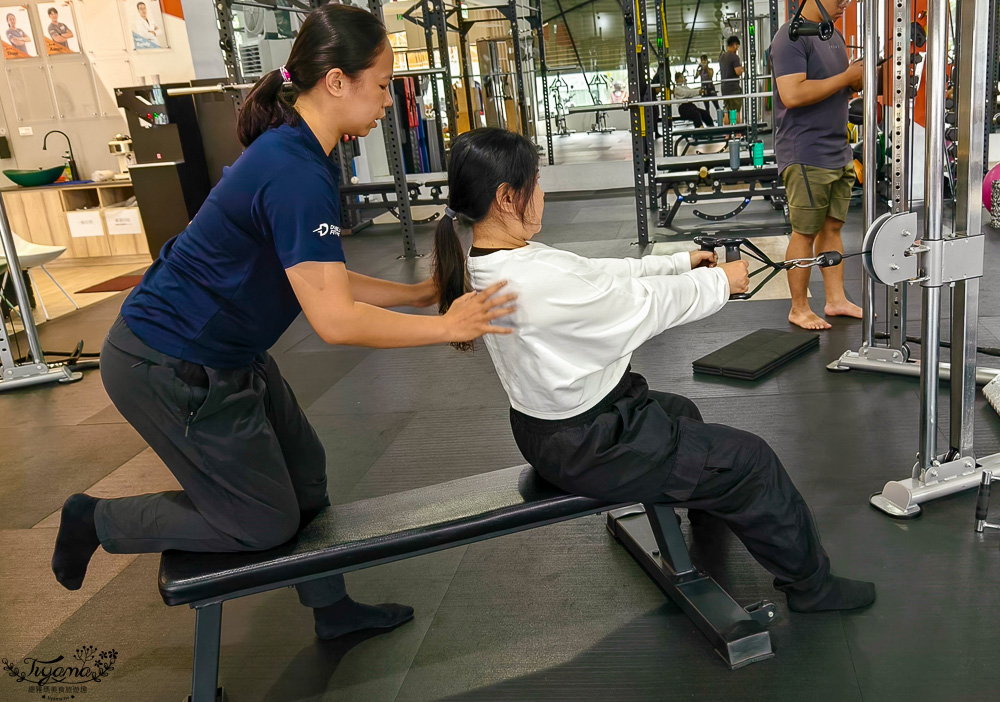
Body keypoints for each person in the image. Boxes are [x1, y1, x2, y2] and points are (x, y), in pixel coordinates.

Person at [50, 5, 515, 643]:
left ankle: (333, 611)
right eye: (381, 84)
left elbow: (319, 277)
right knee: (261, 523)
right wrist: (447, 325)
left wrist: (419, 294)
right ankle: (94, 520)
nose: (388, 100)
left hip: (228, 353)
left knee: (306, 479)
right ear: (336, 82)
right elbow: (333, 320)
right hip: (166, 363)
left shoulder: (307, 155)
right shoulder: (296, 170)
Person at [432, 127, 877, 614]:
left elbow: (599, 273)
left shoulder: (499, 258)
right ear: (505, 197)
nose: (542, 193)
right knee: (752, 460)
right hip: (589, 444)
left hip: (555, 426)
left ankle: (709, 509)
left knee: (682, 409)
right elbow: (641, 308)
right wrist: (717, 282)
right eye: (535, 183)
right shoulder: (531, 280)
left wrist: (679, 262)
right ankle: (812, 587)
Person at [771, 0, 864, 330]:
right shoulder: (790, 38)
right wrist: (846, 77)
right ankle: (798, 307)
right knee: (805, 231)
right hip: (805, 152)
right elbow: (792, 94)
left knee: (833, 227)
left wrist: (857, 79)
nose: (845, 4)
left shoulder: (832, 35)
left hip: (838, 148)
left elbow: (840, 85)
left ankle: (836, 299)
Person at [719, 35, 743, 124]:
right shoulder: (734, 57)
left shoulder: (722, 57)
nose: (737, 49)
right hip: (734, 88)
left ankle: (728, 133)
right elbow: (737, 72)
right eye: (737, 46)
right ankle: (737, 132)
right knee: (736, 111)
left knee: (727, 111)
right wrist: (742, 69)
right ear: (734, 45)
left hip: (724, 88)